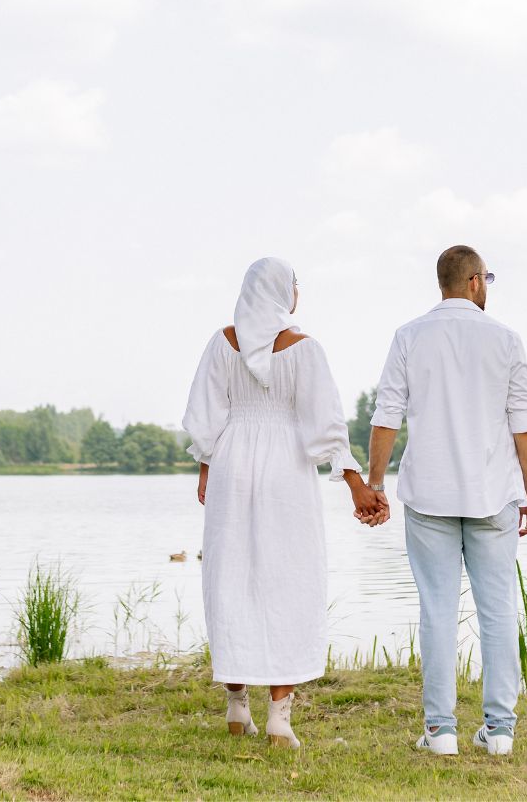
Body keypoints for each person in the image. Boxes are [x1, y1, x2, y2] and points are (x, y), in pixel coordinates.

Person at [182, 257, 389, 748]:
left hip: (233, 465)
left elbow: (204, 416)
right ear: (282, 292)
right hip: (286, 472)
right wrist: (355, 483)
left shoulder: (222, 342)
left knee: (231, 575)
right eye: (295, 284)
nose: (298, 291)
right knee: (289, 578)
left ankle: (237, 708)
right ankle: (278, 717)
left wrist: (207, 467)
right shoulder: (304, 349)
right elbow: (325, 425)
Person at [363, 244, 527, 757]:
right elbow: (523, 424)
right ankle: (500, 730)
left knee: (438, 612)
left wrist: (375, 483)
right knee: (499, 611)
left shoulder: (409, 337)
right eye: (486, 277)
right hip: (493, 496)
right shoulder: (506, 340)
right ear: (474, 283)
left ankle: (441, 732)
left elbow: (387, 415)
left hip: (430, 496)